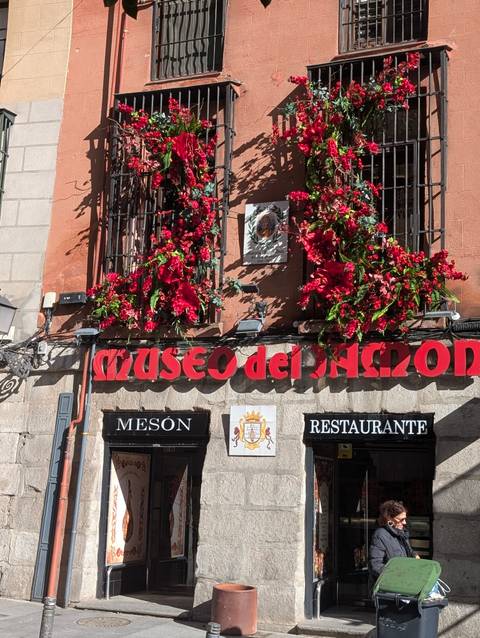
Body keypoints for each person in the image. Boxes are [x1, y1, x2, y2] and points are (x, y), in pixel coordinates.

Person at [368, 500, 419, 593]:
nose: (404, 523)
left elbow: (408, 551)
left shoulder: (401, 533)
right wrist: (397, 575)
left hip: (404, 586)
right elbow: (375, 565)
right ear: (389, 519)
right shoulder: (380, 535)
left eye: (405, 519)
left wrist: (415, 555)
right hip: (388, 590)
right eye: (401, 519)